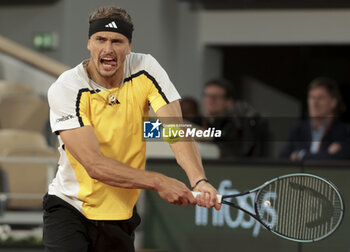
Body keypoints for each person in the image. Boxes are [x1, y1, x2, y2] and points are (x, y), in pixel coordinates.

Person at [43, 6, 220, 252]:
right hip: (70, 207)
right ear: (89, 44)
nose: (108, 49)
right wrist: (158, 181)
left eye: (117, 41)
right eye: (100, 39)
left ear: (128, 47)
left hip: (121, 215)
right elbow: (94, 165)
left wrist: (199, 180)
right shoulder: (67, 89)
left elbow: (175, 131)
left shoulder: (146, 68)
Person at [279, 77, 350, 160]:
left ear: (333, 103)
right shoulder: (298, 130)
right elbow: (283, 159)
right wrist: (327, 154)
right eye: (311, 97)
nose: (315, 103)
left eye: (320, 98)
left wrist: (300, 155)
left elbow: (342, 158)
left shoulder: (345, 132)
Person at [201, 78, 266, 158]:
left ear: (229, 102)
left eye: (216, 97)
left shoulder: (238, 125)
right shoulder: (200, 121)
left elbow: (237, 153)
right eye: (207, 96)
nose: (211, 100)